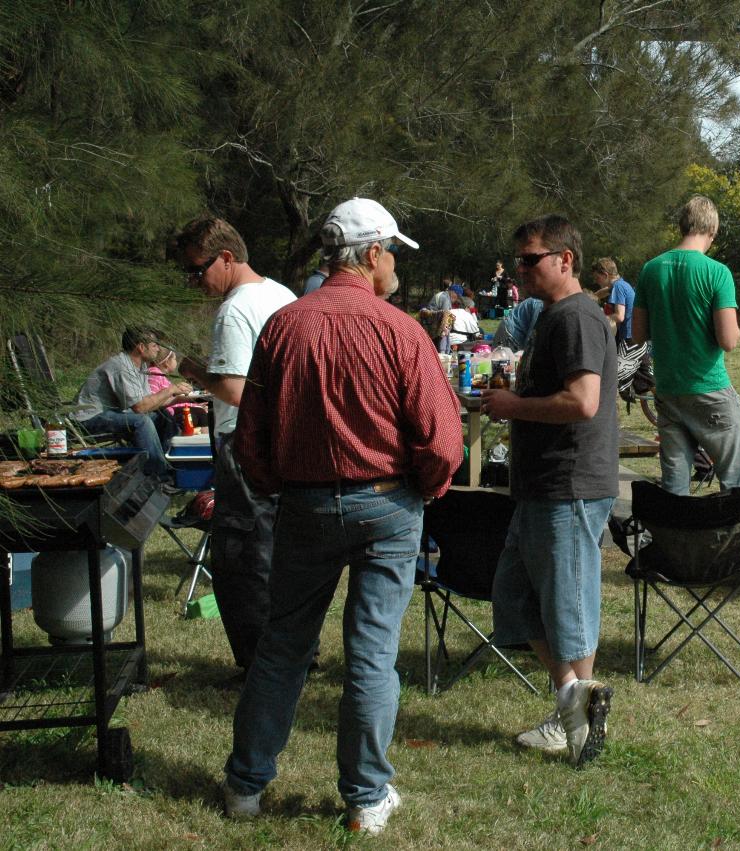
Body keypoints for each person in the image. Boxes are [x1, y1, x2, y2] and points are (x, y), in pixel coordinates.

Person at [221, 197, 462, 834]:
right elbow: (441, 439)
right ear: (374, 255)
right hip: (385, 505)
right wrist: (426, 488)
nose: (397, 273)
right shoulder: (401, 331)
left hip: (304, 502)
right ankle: (364, 798)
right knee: (371, 654)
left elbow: (251, 436)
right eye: (394, 258)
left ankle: (245, 786)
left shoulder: (283, 326)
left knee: (283, 647)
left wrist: (279, 485)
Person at [479, 215, 617, 767]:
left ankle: (578, 728)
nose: (520, 268)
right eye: (518, 259)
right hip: (542, 484)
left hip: (569, 485)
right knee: (513, 599)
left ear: (565, 259)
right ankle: (573, 704)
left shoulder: (578, 317)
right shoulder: (553, 316)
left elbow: (583, 402)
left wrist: (515, 407)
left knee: (567, 609)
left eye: (530, 258)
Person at [173, 216, 296, 672]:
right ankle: (292, 653)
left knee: (244, 558)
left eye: (198, 270)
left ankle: (259, 665)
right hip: (283, 440)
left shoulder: (235, 309)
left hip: (244, 443)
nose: (195, 282)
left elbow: (233, 389)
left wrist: (193, 370)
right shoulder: (281, 293)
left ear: (227, 258)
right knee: (281, 554)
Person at [632, 195, 740, 494]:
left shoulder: (651, 269)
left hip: (669, 390)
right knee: (736, 480)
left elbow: (637, 335)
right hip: (708, 388)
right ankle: (735, 539)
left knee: (674, 484)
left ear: (682, 226)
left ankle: (674, 539)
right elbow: (728, 340)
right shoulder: (717, 272)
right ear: (712, 230)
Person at [72, 327, 191, 479]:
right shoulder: (122, 367)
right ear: (141, 347)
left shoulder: (140, 367)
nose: (158, 349)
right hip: (89, 417)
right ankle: (158, 475)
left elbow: (151, 403)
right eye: (155, 345)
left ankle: (169, 464)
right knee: (141, 421)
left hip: (113, 414)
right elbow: (140, 408)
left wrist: (179, 398)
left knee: (162, 416)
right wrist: (170, 390)